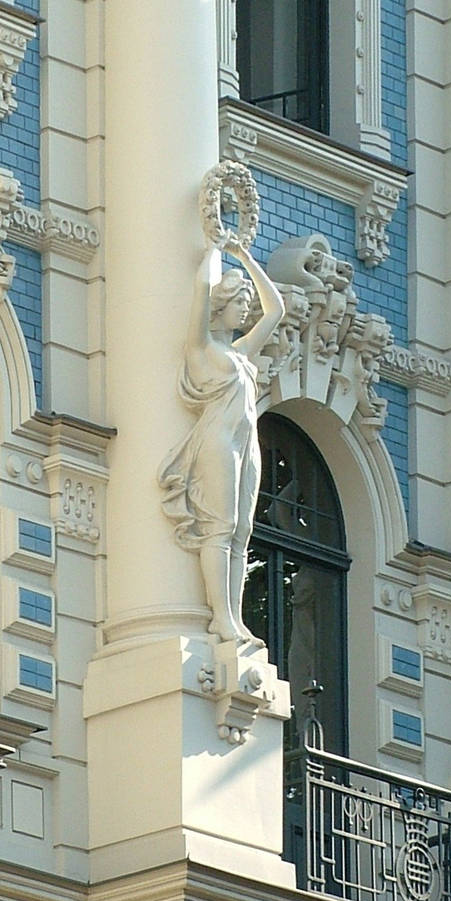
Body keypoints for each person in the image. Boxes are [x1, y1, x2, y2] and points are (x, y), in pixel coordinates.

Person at [159, 237, 285, 644]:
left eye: (246, 303)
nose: (246, 309)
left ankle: (234, 617)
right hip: (217, 442)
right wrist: (213, 247)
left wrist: (246, 258)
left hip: (246, 446)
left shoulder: (242, 353)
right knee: (222, 526)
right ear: (220, 305)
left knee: (243, 530)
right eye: (238, 301)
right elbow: (200, 289)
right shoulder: (202, 349)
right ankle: (221, 617)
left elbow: (276, 310)